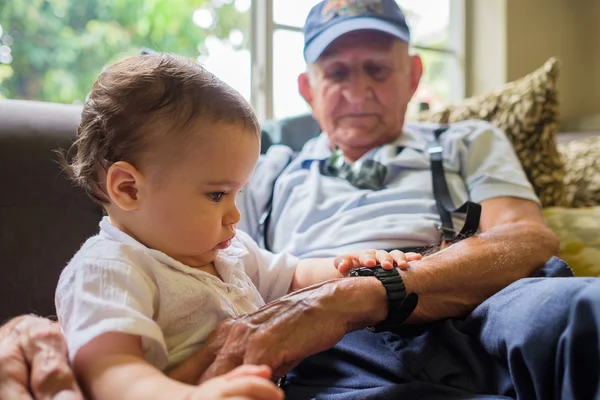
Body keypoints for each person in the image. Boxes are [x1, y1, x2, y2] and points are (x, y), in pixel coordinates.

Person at [1, 0, 599, 399]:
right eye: (336, 73)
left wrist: (365, 285)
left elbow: (525, 239)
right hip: (326, 343)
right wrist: (47, 332)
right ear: (307, 88)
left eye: (377, 68)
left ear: (415, 75)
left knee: (579, 314)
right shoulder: (265, 166)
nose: (358, 90)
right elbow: (167, 261)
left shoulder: (468, 140)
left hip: (469, 300)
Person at [51, 53, 419, 400]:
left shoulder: (229, 250)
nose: (235, 215)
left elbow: (293, 277)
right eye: (216, 195)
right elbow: (110, 372)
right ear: (129, 188)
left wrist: (352, 266)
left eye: (237, 193)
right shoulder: (108, 270)